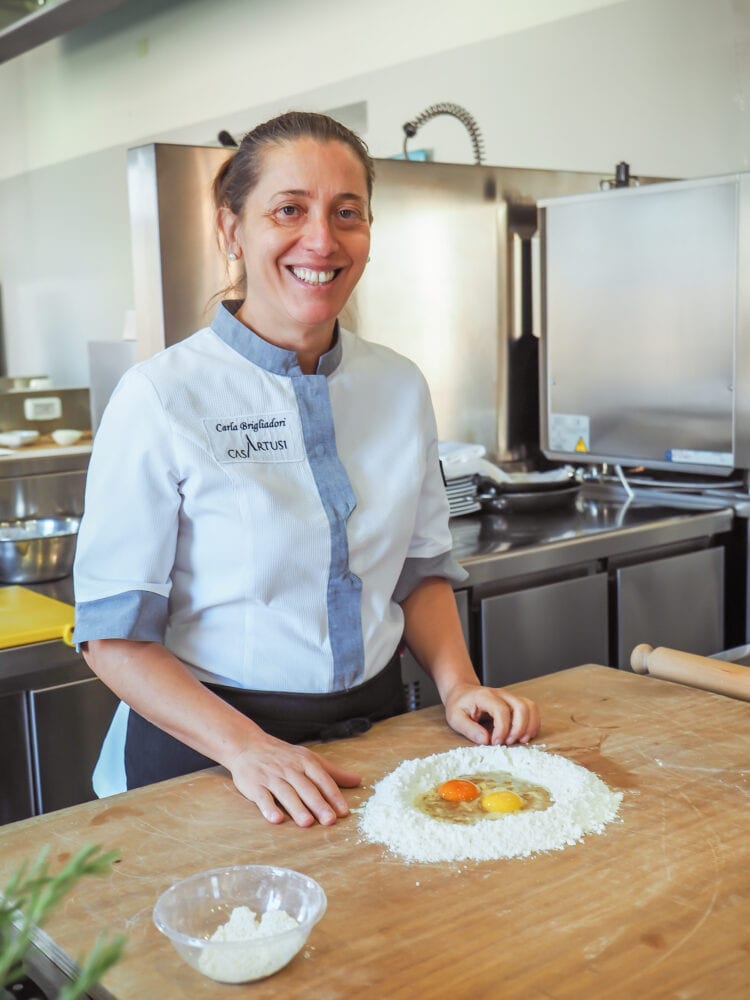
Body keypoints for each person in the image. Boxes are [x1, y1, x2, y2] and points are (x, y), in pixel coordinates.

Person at [73, 110, 540, 828]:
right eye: (288, 210)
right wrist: (250, 750)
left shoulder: (399, 385)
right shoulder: (162, 396)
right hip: (207, 759)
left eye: (346, 213)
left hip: (376, 739)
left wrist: (458, 687)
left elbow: (418, 568)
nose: (321, 240)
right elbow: (113, 637)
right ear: (232, 229)